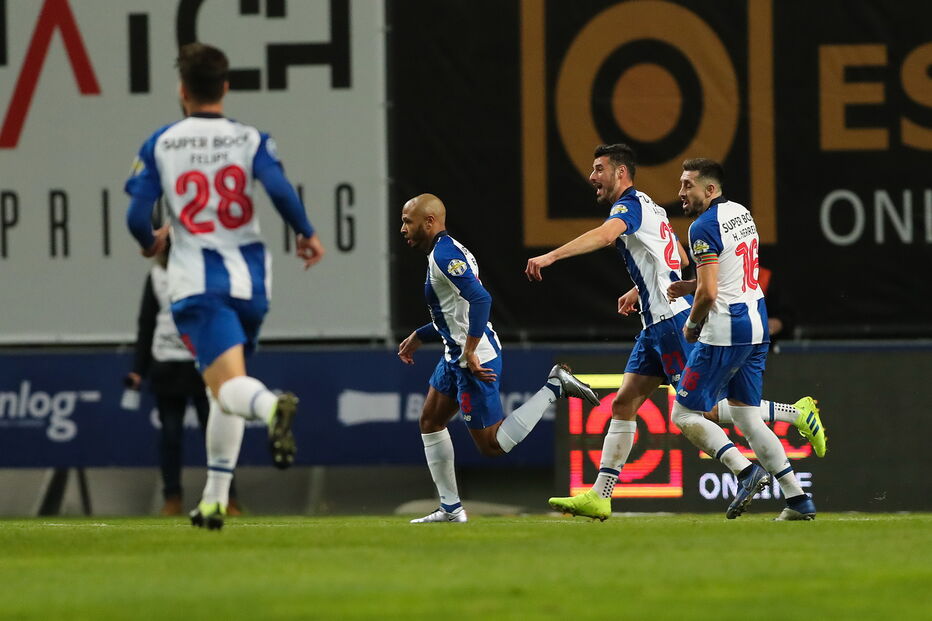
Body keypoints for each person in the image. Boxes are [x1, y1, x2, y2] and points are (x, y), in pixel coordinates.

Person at [525, 144, 825, 521]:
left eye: (599, 168)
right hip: (656, 322)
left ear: (621, 174)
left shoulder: (630, 207)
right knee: (624, 403)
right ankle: (601, 496)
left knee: (700, 410)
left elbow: (605, 237)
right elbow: (680, 259)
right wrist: (644, 286)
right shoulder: (653, 206)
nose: (592, 176)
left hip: (671, 322)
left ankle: (758, 456)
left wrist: (550, 257)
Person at [125, 43, 324, 530]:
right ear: (225, 88)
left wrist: (149, 240)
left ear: (182, 90)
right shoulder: (249, 138)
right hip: (252, 281)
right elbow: (278, 189)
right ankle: (214, 498)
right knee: (220, 390)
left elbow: (135, 214)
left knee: (231, 387)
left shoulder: (161, 143)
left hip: (198, 282)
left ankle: (271, 405)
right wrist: (306, 232)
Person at [398, 193, 600, 523]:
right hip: (456, 354)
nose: (403, 228)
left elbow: (481, 300)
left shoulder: (445, 256)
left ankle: (554, 387)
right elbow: (454, 313)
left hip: (472, 359)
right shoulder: (444, 251)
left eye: (408, 221)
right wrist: (421, 336)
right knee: (430, 421)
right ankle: (450, 508)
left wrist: (471, 350)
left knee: (492, 446)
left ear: (430, 222)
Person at [668, 157, 817, 520]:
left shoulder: (702, 227)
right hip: (756, 325)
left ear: (710, 189)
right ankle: (798, 500)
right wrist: (693, 284)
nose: (681, 192)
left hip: (726, 331)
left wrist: (690, 326)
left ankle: (746, 471)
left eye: (688, 185)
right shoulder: (741, 212)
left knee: (684, 413)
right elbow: (731, 270)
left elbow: (708, 295)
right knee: (748, 419)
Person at [125, 241, 240, 517]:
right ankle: (172, 497)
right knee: (171, 435)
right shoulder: (156, 278)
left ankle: (227, 497)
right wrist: (138, 369)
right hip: (166, 364)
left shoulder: (203, 274)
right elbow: (146, 323)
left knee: (215, 432)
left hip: (203, 363)